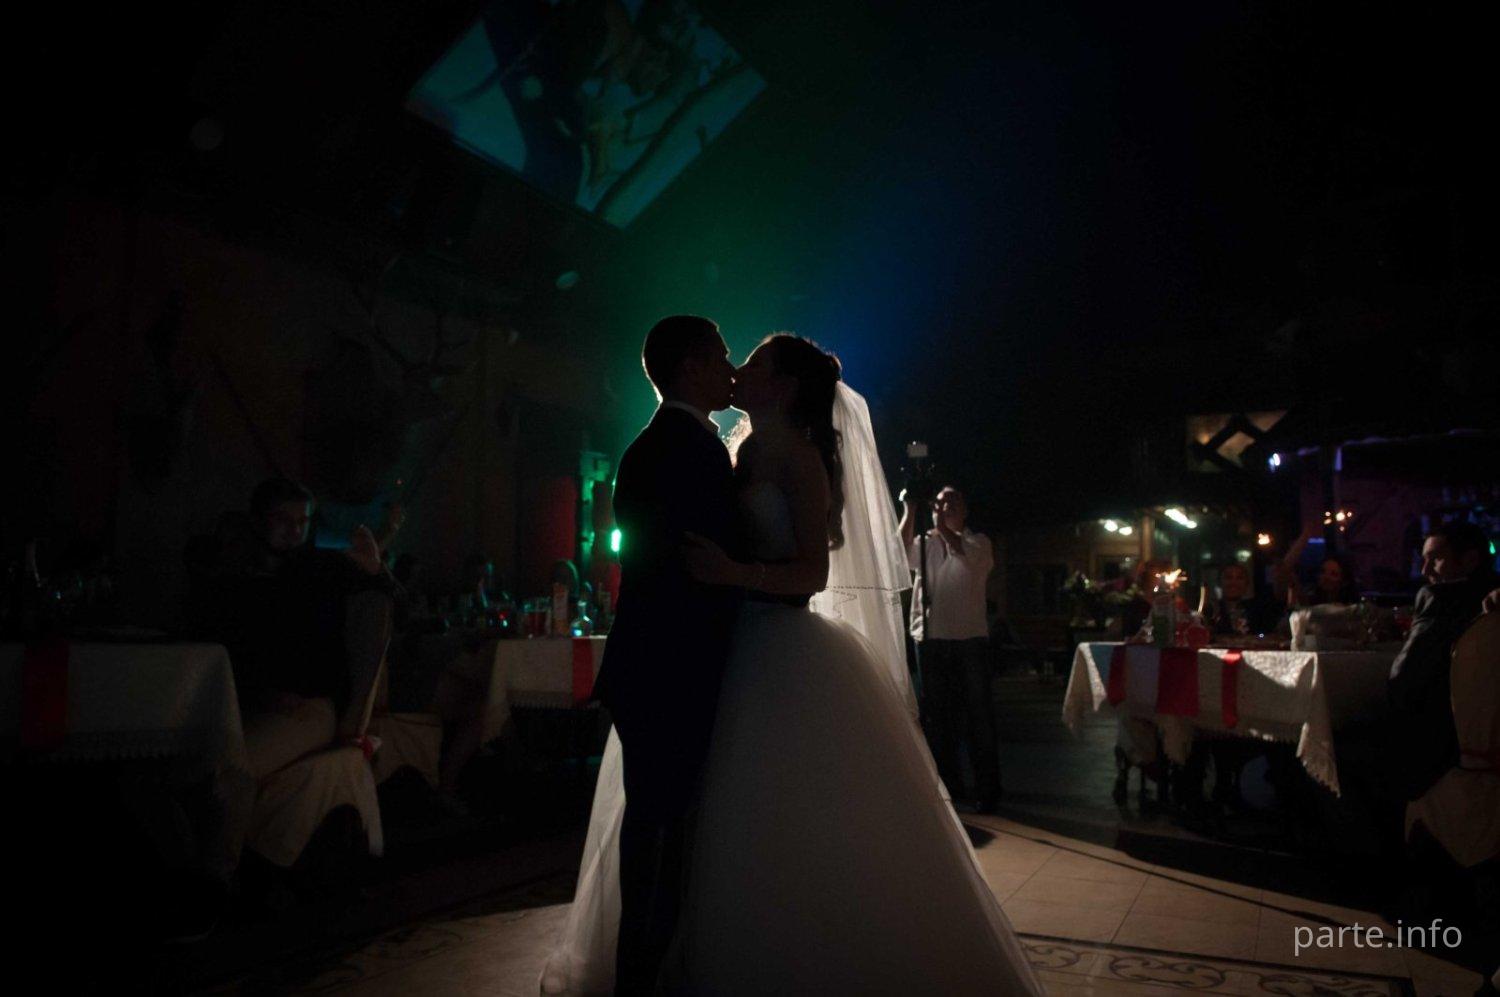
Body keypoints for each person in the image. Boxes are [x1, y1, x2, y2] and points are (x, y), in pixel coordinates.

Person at [539, 334, 1041, 995]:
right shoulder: (733, 450)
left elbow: (810, 575)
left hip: (776, 648)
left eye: (750, 364)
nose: (736, 370)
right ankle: (665, 956)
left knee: (761, 815)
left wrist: (734, 573)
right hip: (717, 652)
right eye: (727, 358)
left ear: (782, 387)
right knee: (692, 820)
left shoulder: (798, 457)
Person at [585, 315, 741, 996]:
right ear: (689, 368)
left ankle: (646, 967)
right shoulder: (691, 451)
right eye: (721, 357)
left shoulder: (653, 446)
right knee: (663, 829)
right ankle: (645, 974)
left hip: (649, 661)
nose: (731, 369)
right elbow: (704, 565)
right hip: (673, 667)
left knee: (657, 823)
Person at [899, 484, 1002, 811]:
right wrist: (909, 510)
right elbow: (898, 556)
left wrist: (940, 526)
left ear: (966, 510)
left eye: (953, 502)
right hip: (931, 639)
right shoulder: (925, 542)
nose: (945, 507)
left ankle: (987, 789)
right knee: (938, 719)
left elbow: (964, 556)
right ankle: (949, 787)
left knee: (977, 716)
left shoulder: (979, 543)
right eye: (941, 503)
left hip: (969, 639)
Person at [1385, 520, 1497, 802]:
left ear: (1470, 560)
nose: (1425, 571)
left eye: (1435, 559)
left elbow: (1403, 681)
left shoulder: (1438, 597)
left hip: (1438, 747)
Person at [1207, 562, 1281, 637]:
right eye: (1228, 577)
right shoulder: (1210, 611)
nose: (1234, 582)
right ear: (1220, 582)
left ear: (1247, 584)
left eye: (1239, 578)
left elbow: (1266, 635)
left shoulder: (1258, 611)